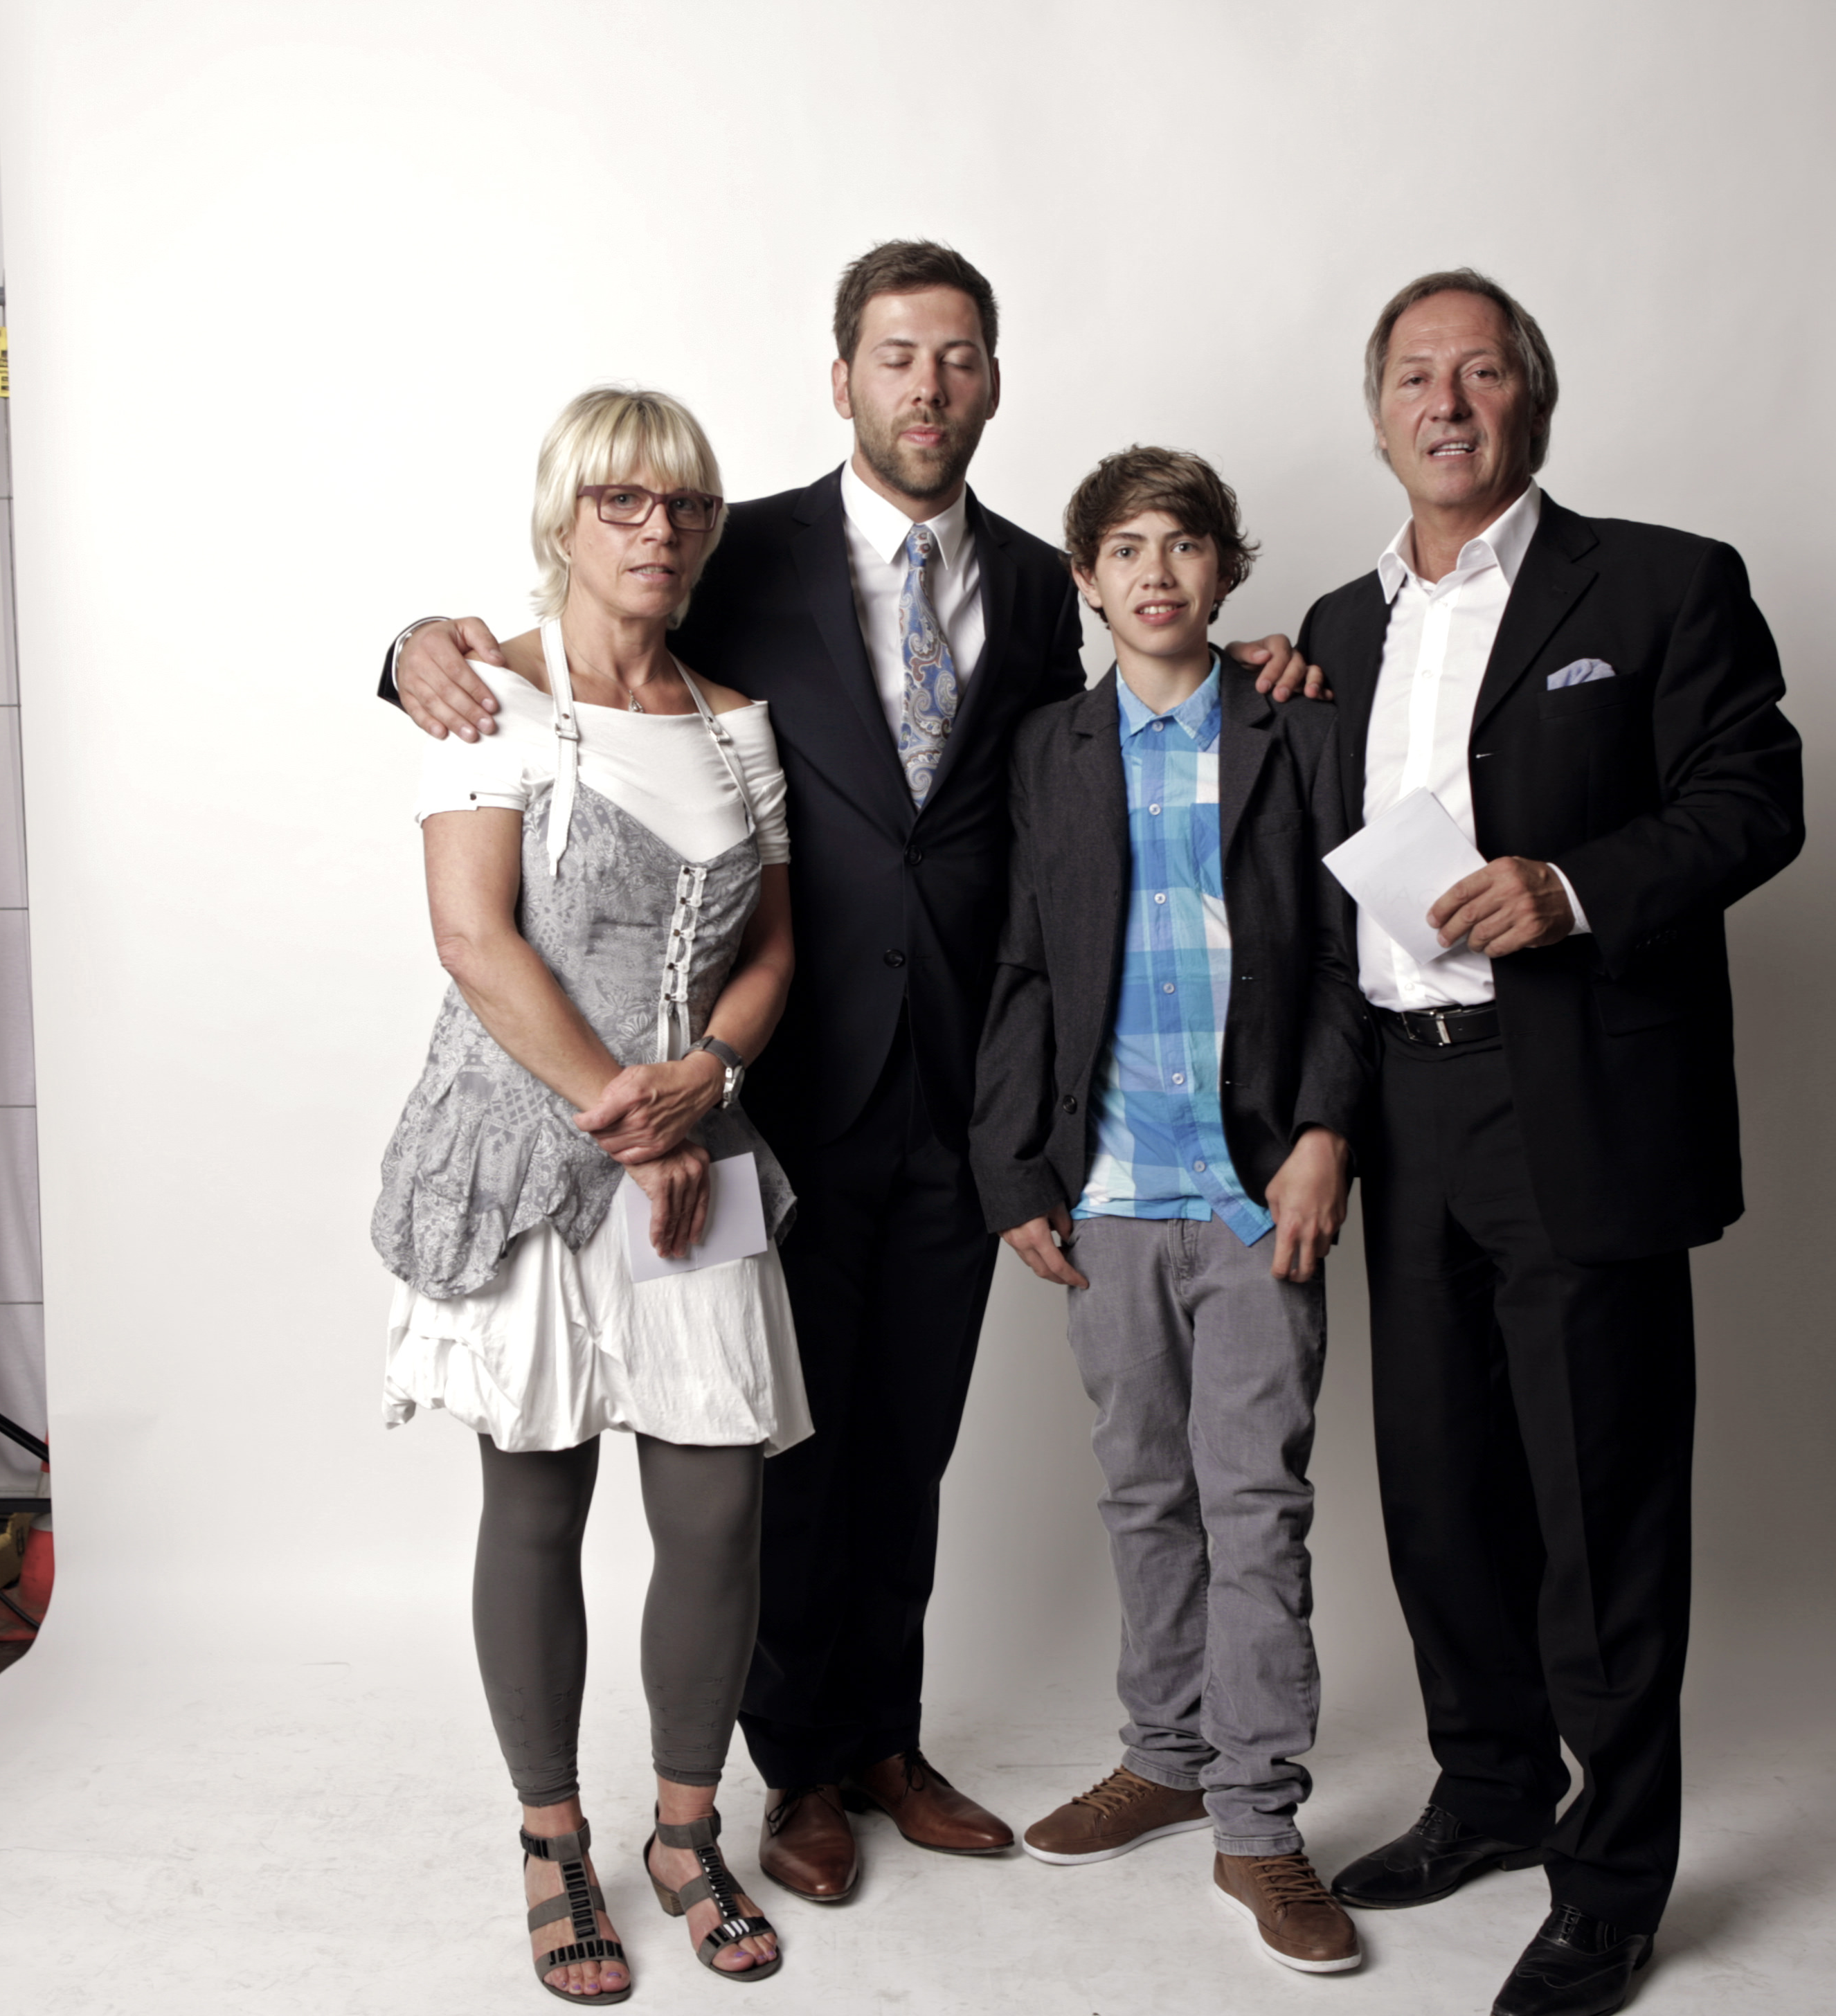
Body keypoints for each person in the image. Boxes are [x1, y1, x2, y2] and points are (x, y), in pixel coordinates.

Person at [381, 241, 1318, 1902]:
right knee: (775, 1459)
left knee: (908, 1440)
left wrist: (1271, 667)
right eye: (897, 355)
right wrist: (407, 644)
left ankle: (886, 1736)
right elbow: (575, 636)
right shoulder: (735, 548)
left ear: (993, 381)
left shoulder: (1039, 578)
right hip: (779, 1088)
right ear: (843, 379)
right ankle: (794, 1766)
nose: (927, 386)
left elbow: (1109, 742)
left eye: (957, 357)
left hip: (961, 1082)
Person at [1298, 272, 1803, 2016]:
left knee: (1601, 1504)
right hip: (1403, 1102)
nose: (1447, 403)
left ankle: (1611, 1883)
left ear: (1536, 397)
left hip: (1578, 1093)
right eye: (1414, 377)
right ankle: (1493, 1793)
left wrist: (1573, 888)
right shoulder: (1338, 623)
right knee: (1439, 1485)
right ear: (1379, 414)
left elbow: (1754, 801)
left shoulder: (1663, 582)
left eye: (1482, 371)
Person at [375, 385, 802, 2001]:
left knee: (716, 1502)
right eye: (623, 499)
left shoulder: (735, 720)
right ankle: (553, 1836)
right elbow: (474, 938)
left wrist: (712, 1072)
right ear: (564, 515)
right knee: (538, 1495)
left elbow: (772, 950)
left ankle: (688, 1831)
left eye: (685, 503)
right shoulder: (483, 693)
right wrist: (633, 1118)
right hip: (527, 1147)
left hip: (699, 1137)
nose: (658, 528)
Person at [973, 449, 1370, 1974]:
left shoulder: (1298, 726)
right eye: (1127, 548)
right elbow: (1024, 964)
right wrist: (1017, 1169)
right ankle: (1166, 1755)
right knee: (1144, 1492)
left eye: (1185, 544)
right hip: (1109, 1193)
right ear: (1085, 578)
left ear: (1226, 568)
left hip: (1259, 1188)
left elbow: (1340, 950)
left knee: (1254, 1503)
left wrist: (1325, 1133)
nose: (1157, 572)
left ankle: (1259, 1823)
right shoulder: (1051, 746)